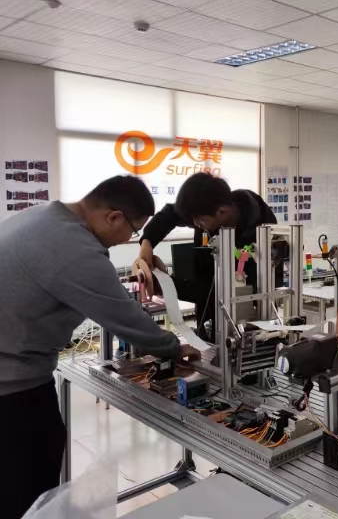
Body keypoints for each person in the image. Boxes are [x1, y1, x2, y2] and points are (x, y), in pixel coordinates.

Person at [0, 175, 199, 519]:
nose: (130, 240)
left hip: (14, 374)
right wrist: (174, 347)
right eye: (133, 231)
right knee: (26, 489)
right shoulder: (73, 248)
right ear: (113, 217)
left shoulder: (44, 216)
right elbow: (122, 316)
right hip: (13, 390)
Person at [135, 173, 277, 341]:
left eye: (200, 221)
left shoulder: (261, 231)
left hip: (244, 316)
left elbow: (214, 291)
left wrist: (166, 285)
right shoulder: (206, 208)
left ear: (222, 212)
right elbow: (171, 213)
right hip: (206, 307)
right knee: (206, 343)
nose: (196, 225)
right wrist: (147, 242)